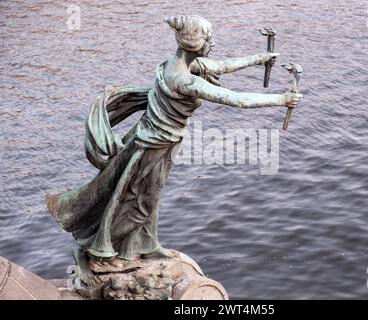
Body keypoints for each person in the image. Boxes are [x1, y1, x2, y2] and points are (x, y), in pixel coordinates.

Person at [46, 15, 300, 285]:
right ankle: (102, 251)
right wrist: (281, 99)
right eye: (208, 39)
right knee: (138, 203)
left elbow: (223, 66)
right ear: (195, 43)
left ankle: (145, 245)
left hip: (158, 143)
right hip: (152, 148)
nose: (212, 43)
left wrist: (260, 57)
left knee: (148, 201)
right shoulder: (182, 78)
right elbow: (235, 99)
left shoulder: (183, 63)